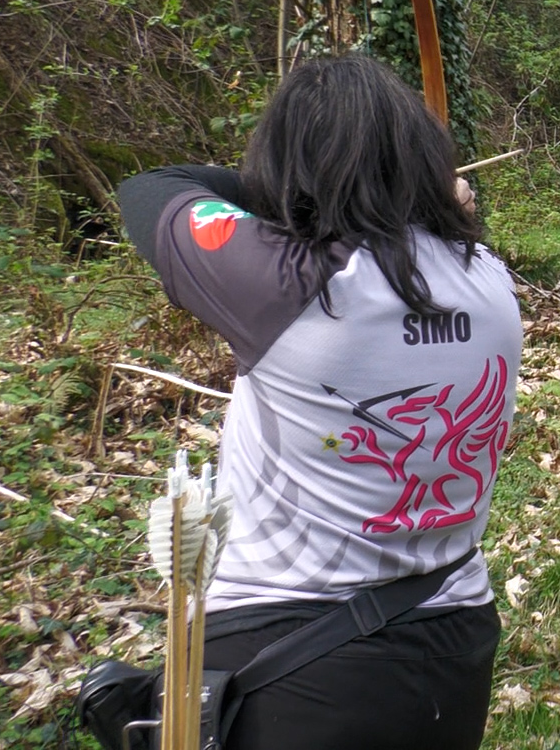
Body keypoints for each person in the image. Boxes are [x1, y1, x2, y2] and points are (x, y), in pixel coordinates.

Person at [116, 55, 522, 750]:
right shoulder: (492, 281)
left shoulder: (289, 283)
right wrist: (408, 192)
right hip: (456, 644)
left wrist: (294, 185)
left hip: (291, 663)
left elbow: (151, 190)